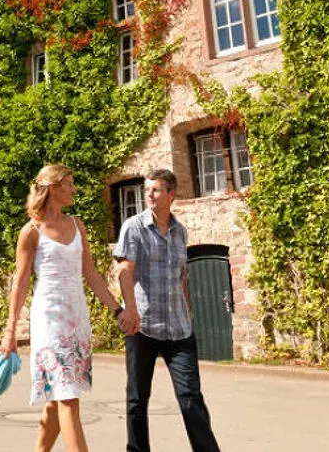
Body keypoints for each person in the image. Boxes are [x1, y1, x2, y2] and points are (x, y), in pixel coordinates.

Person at [0, 164, 126, 452]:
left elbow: (91, 274)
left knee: (58, 399)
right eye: (69, 183)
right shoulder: (31, 232)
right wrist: (10, 331)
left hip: (76, 316)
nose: (74, 189)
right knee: (68, 398)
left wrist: (117, 311)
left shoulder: (77, 224)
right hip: (49, 319)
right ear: (53, 188)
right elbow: (19, 284)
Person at [114, 169, 221, 452]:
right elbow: (125, 272)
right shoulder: (133, 227)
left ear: (171, 194)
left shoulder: (180, 231)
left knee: (190, 397)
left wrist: (188, 310)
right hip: (143, 326)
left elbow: (181, 275)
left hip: (178, 328)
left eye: (156, 190)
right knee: (137, 398)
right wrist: (131, 312)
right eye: (147, 189)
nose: (149, 194)